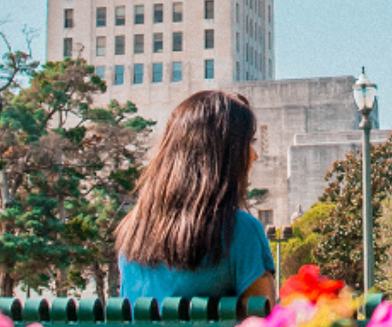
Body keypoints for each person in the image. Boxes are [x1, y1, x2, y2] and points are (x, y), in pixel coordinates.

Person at [116, 90, 277, 301]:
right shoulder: (240, 231)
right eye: (249, 142)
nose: (254, 155)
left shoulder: (133, 232)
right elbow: (267, 326)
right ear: (225, 154)